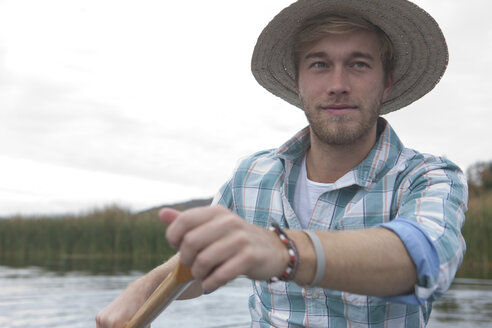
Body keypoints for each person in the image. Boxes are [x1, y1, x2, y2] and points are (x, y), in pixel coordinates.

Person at [96, 0, 468, 327]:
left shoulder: (428, 176)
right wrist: (141, 288)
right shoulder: (252, 175)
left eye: (358, 64)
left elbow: (426, 261)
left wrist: (283, 251)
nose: (338, 84)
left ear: (386, 83)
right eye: (320, 64)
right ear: (299, 82)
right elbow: (200, 263)